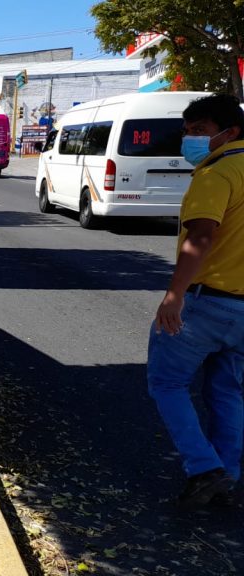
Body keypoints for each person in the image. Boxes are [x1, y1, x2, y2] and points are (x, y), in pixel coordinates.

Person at [148, 93, 244, 508]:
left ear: (231, 132)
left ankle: (205, 469)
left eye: (200, 131)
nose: (191, 140)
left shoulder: (217, 174)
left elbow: (201, 237)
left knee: (167, 383)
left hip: (207, 303)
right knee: (227, 391)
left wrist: (174, 295)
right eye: (187, 132)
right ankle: (229, 473)